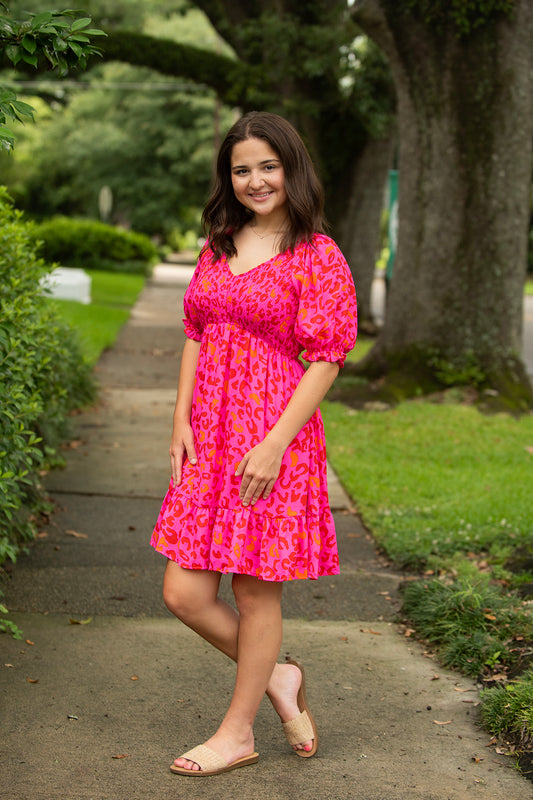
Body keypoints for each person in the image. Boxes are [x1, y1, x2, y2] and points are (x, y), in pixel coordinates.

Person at [150, 110, 357, 777]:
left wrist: (273, 444)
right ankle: (277, 677)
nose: (255, 180)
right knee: (183, 592)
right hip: (208, 435)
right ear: (227, 178)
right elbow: (194, 331)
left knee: (254, 591)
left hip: (273, 439)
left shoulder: (316, 254)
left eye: (267, 165)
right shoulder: (219, 243)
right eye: (241, 169)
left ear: (290, 168)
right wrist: (179, 418)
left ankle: (237, 732)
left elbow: (326, 357)